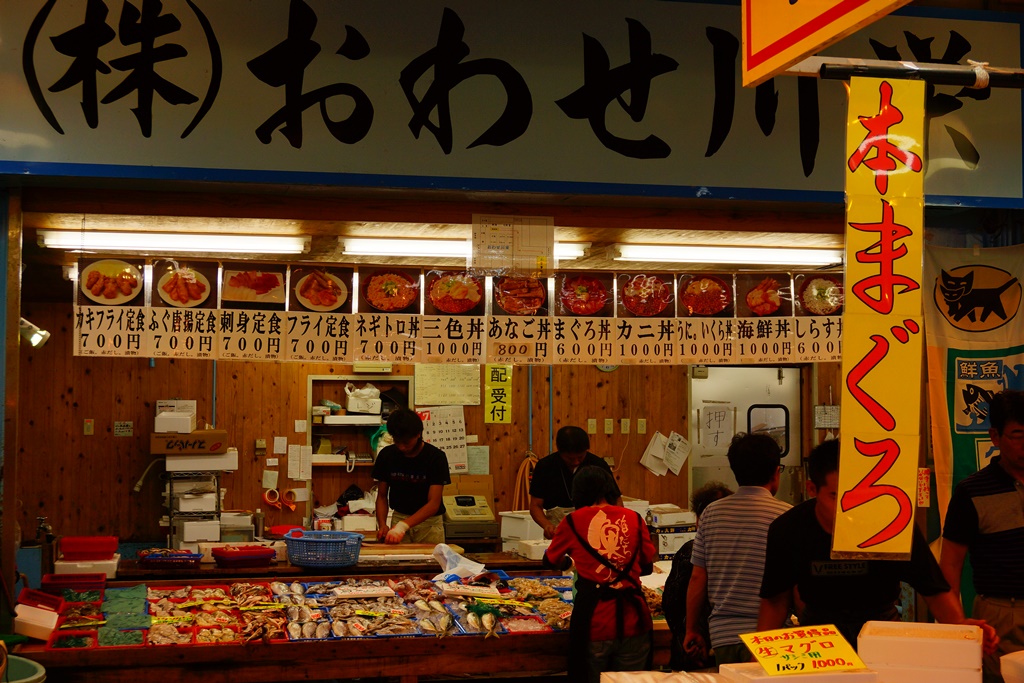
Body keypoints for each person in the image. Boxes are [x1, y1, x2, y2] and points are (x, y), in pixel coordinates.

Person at [760, 439, 998, 654]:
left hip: (882, 627)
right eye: (837, 496)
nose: (850, 507)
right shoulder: (788, 529)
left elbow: (932, 587)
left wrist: (960, 628)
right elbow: (775, 600)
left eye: (859, 496)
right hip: (820, 633)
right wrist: (758, 656)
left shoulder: (893, 524)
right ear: (812, 490)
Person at [685, 433, 791, 666]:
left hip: (724, 635)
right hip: (773, 636)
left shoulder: (711, 513)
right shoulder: (786, 516)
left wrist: (691, 628)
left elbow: (697, 577)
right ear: (776, 472)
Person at [941, 389, 1024, 683]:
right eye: (1018, 435)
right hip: (1001, 613)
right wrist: (956, 628)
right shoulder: (971, 491)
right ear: (995, 436)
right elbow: (950, 565)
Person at [543, 466, 655, 683]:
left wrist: (572, 562)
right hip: (636, 621)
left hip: (595, 622)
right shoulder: (635, 518)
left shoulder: (573, 521)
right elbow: (647, 566)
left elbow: (551, 560)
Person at [662, 481, 734, 671]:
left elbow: (671, 603)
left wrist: (689, 636)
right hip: (722, 643)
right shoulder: (742, 547)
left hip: (698, 645)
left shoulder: (692, 551)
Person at [371, 408, 450, 545]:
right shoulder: (386, 455)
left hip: (429, 524)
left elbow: (433, 504)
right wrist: (383, 524)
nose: (401, 447)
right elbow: (382, 496)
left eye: (406, 442)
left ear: (418, 434)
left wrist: (403, 526)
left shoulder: (436, 457)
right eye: (397, 441)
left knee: (430, 565)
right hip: (399, 518)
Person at [530, 425, 622, 539]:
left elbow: (616, 500)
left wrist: (615, 523)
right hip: (558, 528)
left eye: (580, 457)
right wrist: (547, 525)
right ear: (560, 451)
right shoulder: (545, 466)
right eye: (570, 458)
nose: (576, 462)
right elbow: (535, 505)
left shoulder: (598, 465)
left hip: (594, 527)